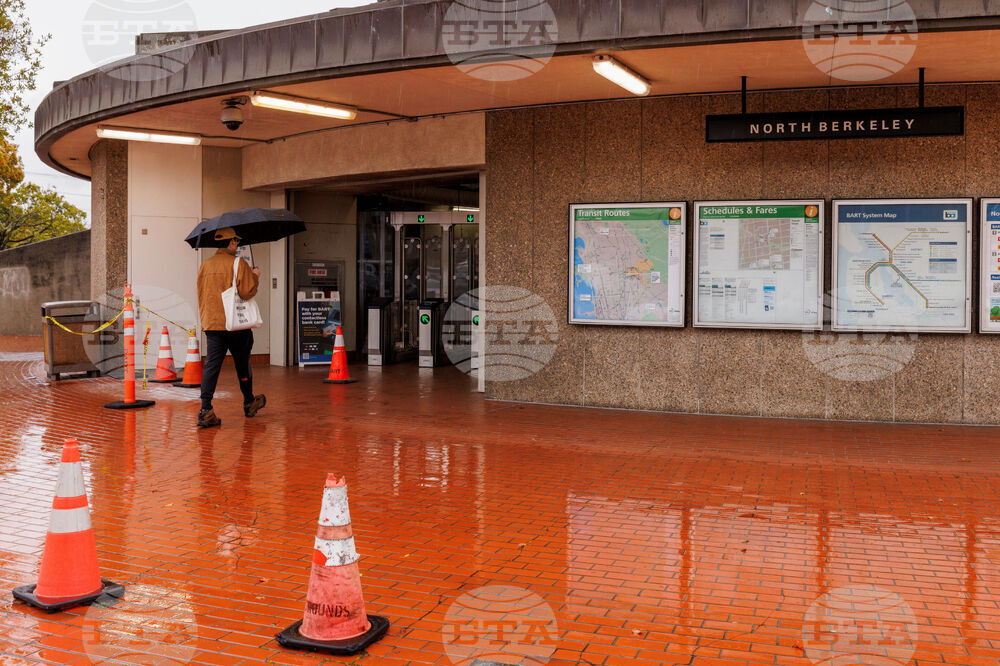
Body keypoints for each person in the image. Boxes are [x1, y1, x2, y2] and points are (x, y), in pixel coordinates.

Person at [195, 227, 266, 428]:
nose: (237, 244)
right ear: (232, 242)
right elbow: (247, 292)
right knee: (242, 364)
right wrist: (255, 276)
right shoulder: (238, 263)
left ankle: (205, 409)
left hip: (213, 324)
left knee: (211, 366)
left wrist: (206, 320)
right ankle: (248, 401)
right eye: (236, 241)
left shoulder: (205, 265)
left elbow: (200, 294)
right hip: (236, 325)